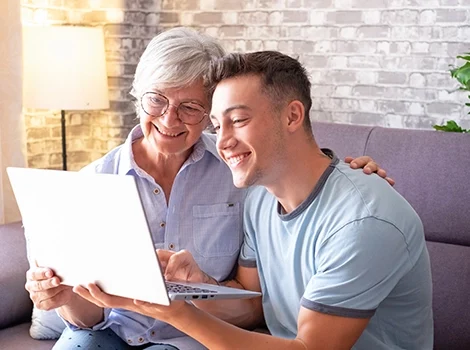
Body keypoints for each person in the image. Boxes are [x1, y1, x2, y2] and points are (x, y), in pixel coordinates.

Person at [25, 29, 393, 350]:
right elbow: (86, 318)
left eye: (191, 107)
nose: (170, 119)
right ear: (138, 96)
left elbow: (295, 156)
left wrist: (350, 175)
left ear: (210, 112)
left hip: (193, 338)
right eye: (156, 99)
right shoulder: (90, 184)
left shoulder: (243, 174)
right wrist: (63, 298)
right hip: (108, 330)